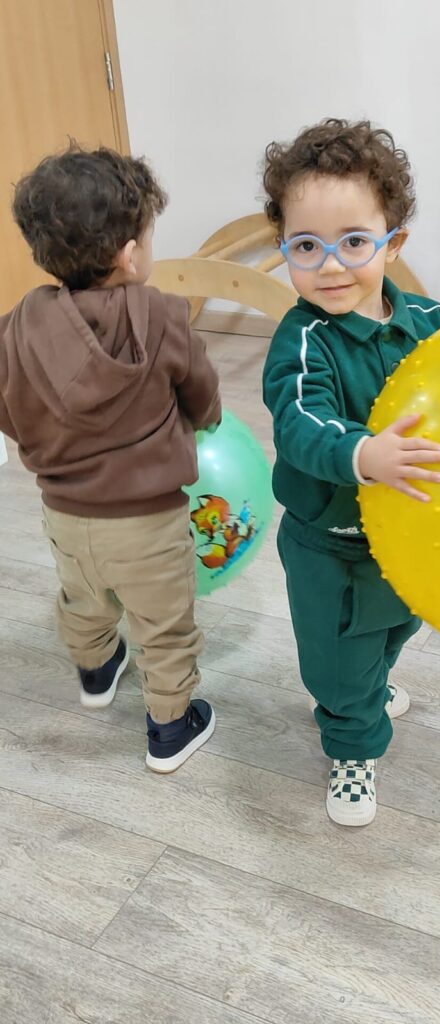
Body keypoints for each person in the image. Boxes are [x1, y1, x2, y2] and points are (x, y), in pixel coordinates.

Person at [0, 145, 221, 773]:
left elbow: (8, 405)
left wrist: (40, 442)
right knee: (164, 626)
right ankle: (169, 728)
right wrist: (205, 420)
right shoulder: (163, 315)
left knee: (84, 599)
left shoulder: (17, 325)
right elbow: (201, 390)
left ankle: (97, 673)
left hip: (66, 515)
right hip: (149, 524)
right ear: (130, 255)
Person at [262, 118, 440, 826]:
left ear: (392, 243)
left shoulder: (431, 321)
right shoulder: (302, 339)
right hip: (332, 545)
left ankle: (371, 683)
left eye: (353, 242)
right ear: (284, 248)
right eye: (307, 246)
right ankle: (351, 744)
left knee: (399, 624)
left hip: (407, 537)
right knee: (339, 663)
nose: (331, 266)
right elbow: (299, 421)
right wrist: (363, 454)